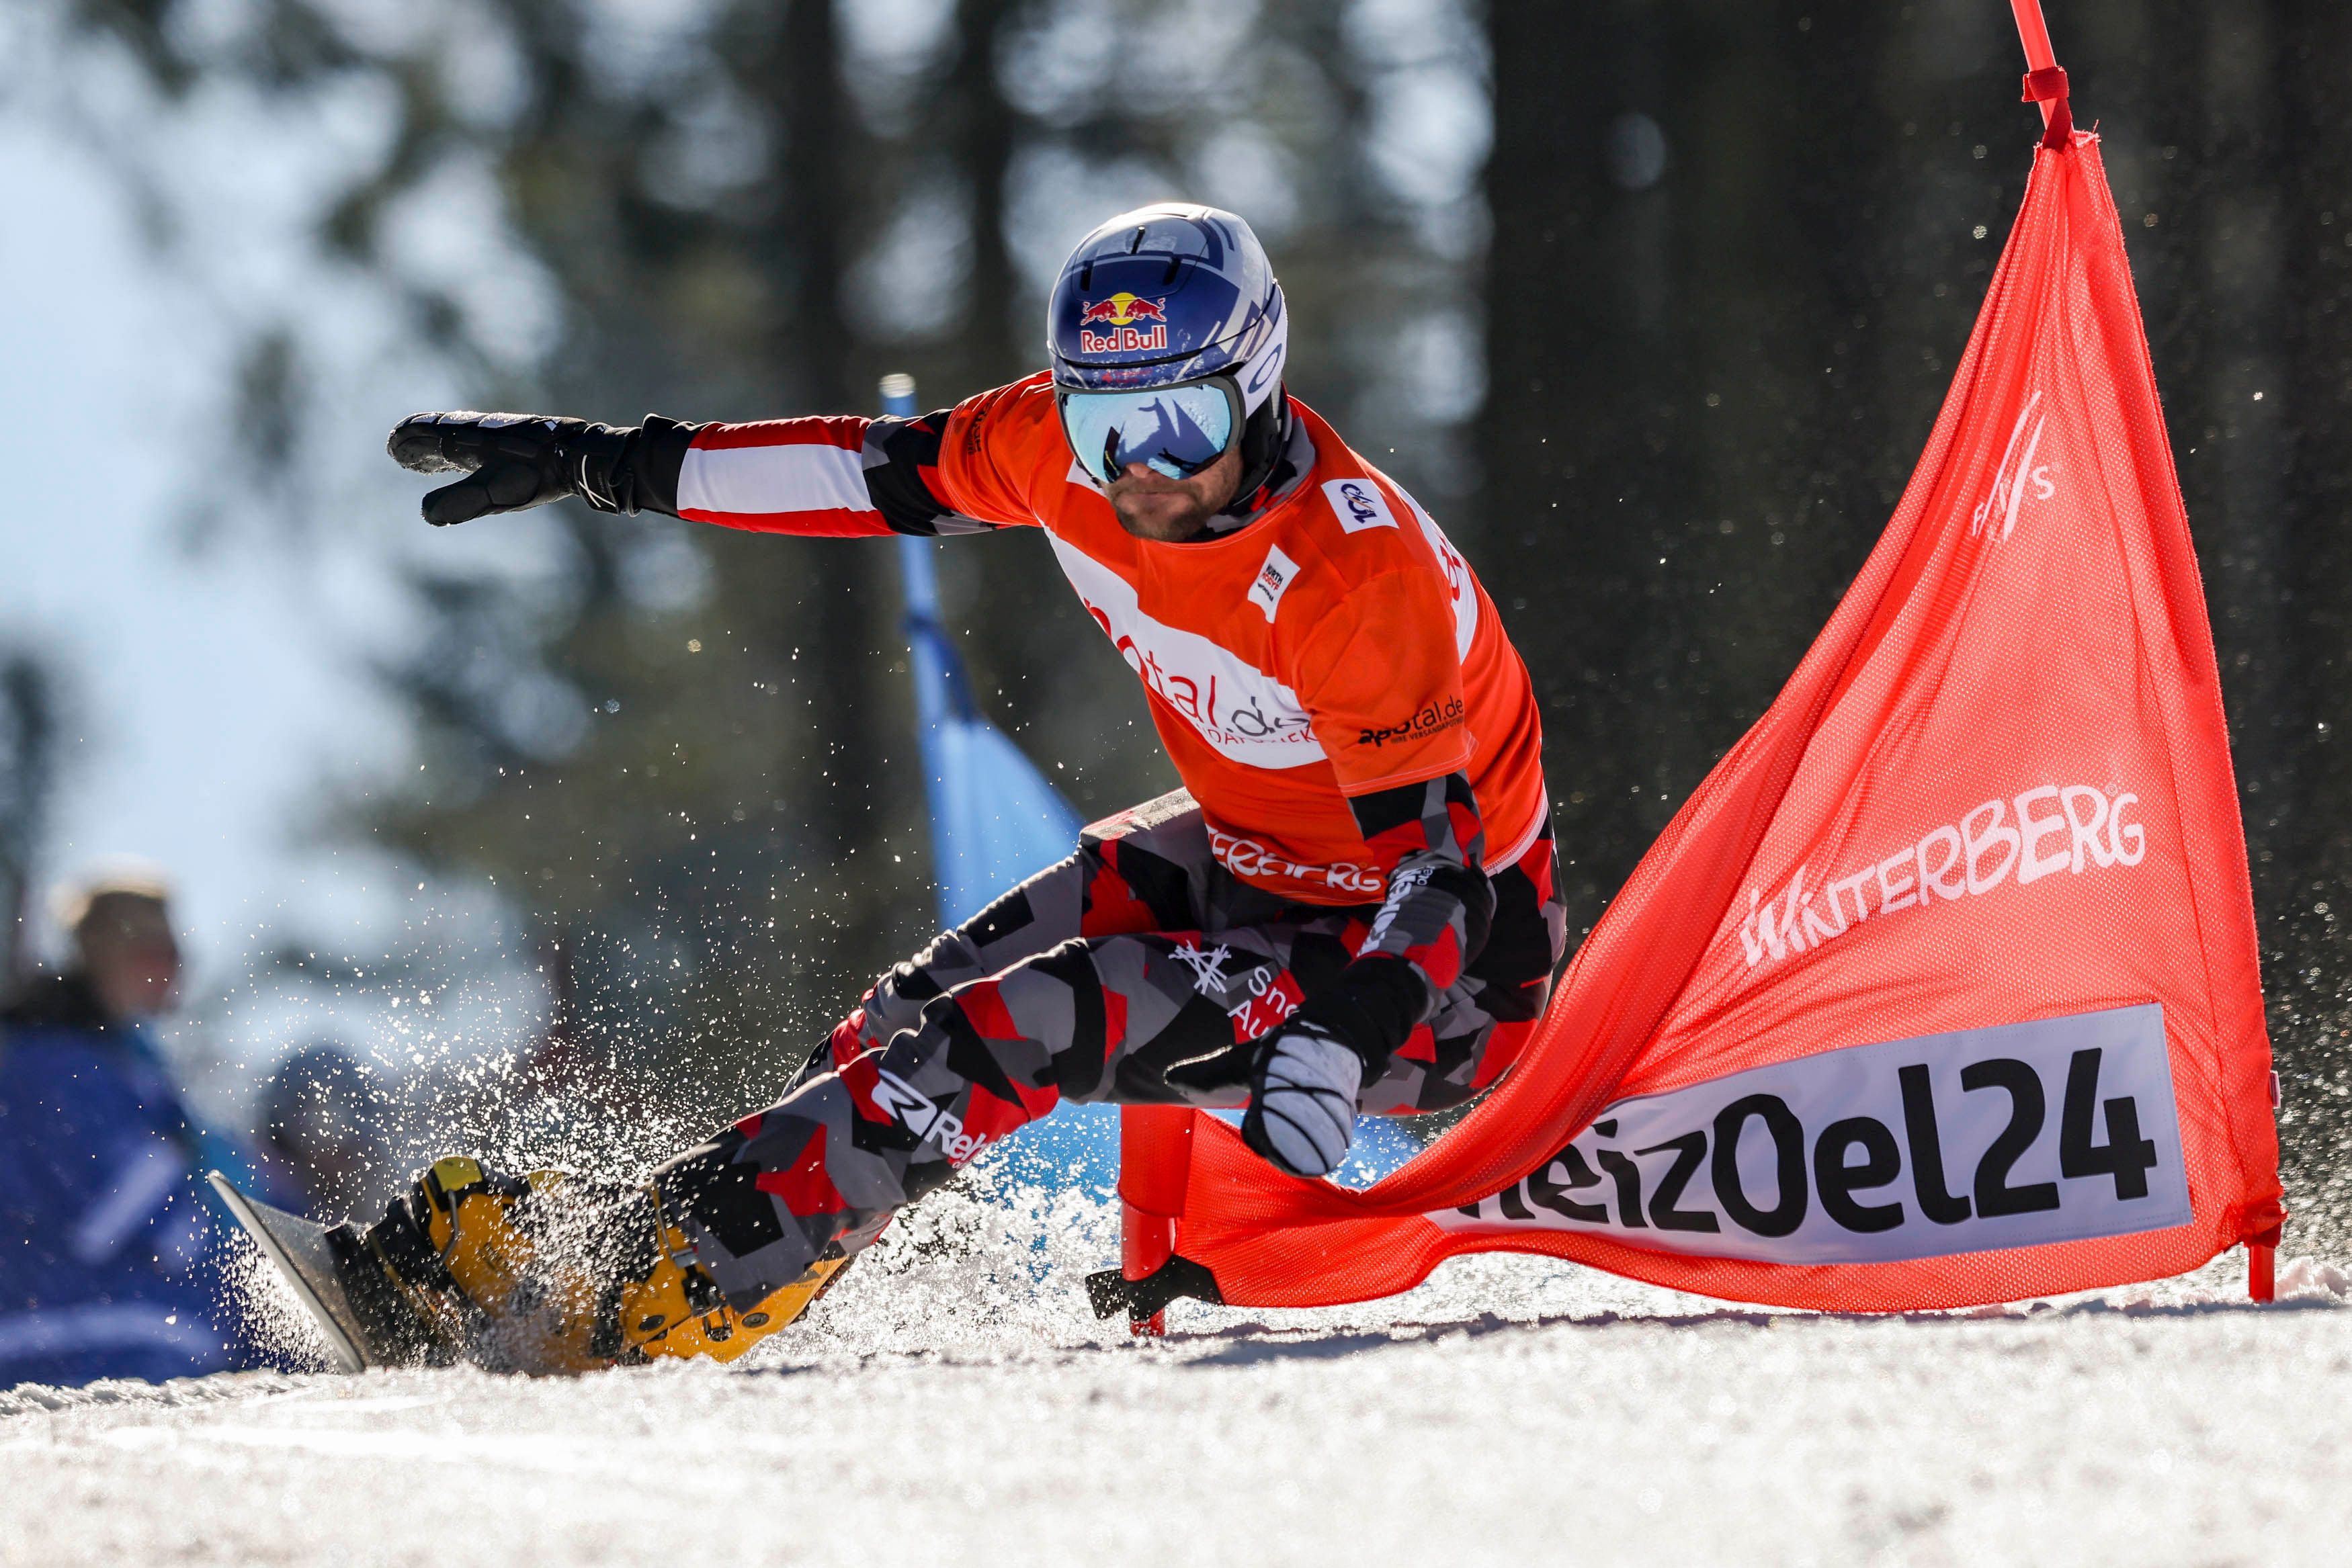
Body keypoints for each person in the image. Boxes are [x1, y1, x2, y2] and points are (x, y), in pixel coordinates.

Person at [353, 204, 1565, 1373]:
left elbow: (1442, 879)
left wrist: (1345, 1038)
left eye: (1180, 423)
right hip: (1265, 851)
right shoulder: (1053, 453)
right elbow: (859, 473)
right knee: (908, 1011)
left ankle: (655, 1291)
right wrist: (605, 463)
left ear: (1256, 389)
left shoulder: (1352, 579)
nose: (1139, 471)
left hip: (1435, 971)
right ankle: (657, 1240)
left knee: (1029, 1020)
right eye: (1103, 426)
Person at [0, 867, 293, 1385]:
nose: (177, 967)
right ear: (110, 954)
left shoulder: (127, 1063)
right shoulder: (53, 1063)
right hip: (74, 1339)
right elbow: (121, 1209)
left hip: (132, 1326)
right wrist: (249, 1253)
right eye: (159, 952)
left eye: (179, 953)